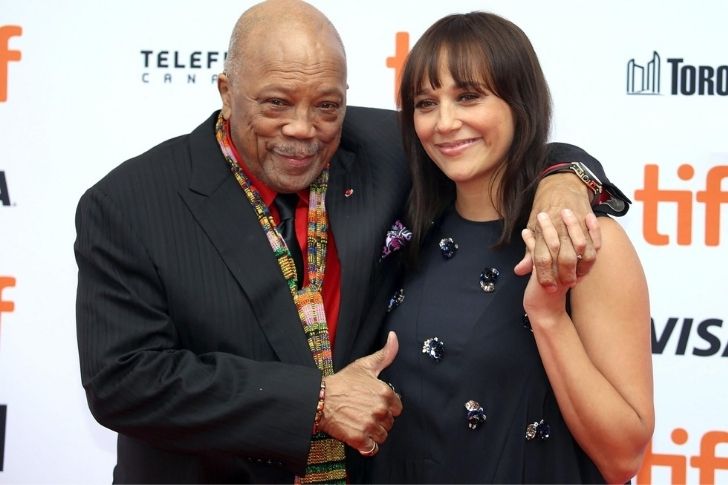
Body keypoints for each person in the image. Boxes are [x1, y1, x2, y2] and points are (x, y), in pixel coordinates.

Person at [74, 1, 631, 483]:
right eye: (275, 103)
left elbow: (503, 140)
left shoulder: (384, 148)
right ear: (227, 92)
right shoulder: (131, 204)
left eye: (326, 105)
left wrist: (565, 180)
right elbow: (122, 381)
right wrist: (314, 403)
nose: (303, 128)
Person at [367, 11, 654, 484]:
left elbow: (623, 456)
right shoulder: (405, 231)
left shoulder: (581, 242)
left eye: (468, 96)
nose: (445, 122)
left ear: (520, 101)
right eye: (425, 103)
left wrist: (549, 318)